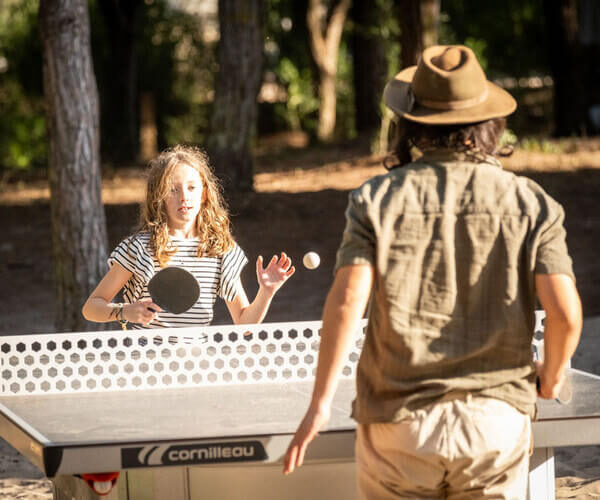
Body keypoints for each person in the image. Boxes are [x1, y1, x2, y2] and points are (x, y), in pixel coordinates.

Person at [283, 45, 582, 499]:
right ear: (488, 122)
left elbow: (347, 303)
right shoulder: (530, 202)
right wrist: (554, 375)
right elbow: (565, 315)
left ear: (411, 124)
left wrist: (320, 405)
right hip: (494, 424)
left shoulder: (376, 199)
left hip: (399, 424)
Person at [82, 145, 295, 330]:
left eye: (192, 188)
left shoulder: (221, 249)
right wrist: (125, 311)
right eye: (173, 190)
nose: (184, 197)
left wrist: (266, 292)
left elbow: (244, 324)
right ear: (159, 197)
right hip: (144, 362)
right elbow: (91, 307)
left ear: (204, 194)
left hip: (194, 364)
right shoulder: (138, 248)